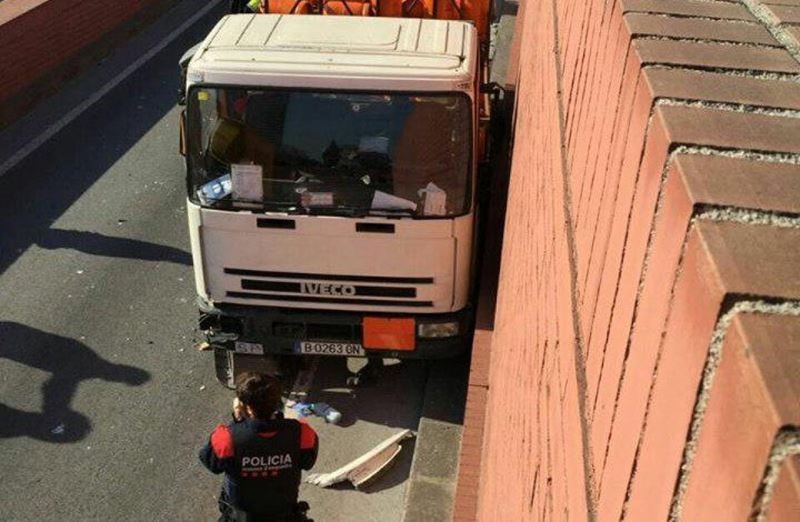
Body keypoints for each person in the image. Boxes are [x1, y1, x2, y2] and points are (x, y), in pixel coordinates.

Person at [199, 372, 318, 521]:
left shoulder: (226, 438)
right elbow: (308, 462)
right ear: (277, 402)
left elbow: (212, 463)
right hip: (285, 516)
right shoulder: (302, 433)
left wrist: (238, 422)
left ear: (246, 407)